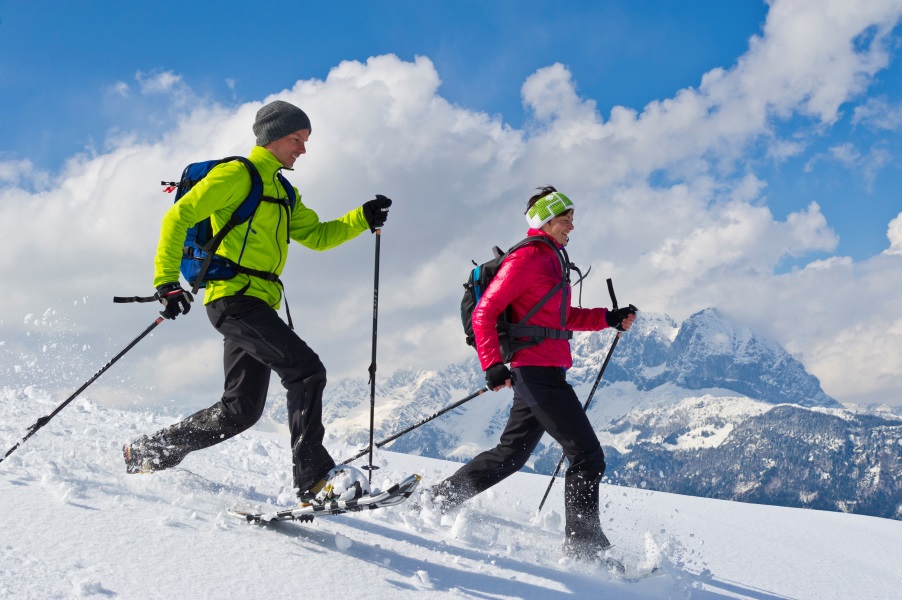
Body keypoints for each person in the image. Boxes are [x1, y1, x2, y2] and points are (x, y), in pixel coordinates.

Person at [123, 100, 393, 503]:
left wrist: (361, 217)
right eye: (296, 140)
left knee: (241, 410)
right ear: (272, 137)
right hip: (232, 298)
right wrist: (166, 282)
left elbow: (318, 236)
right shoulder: (237, 175)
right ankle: (314, 479)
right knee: (305, 371)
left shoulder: (284, 190)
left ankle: (147, 452)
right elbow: (177, 217)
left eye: (305, 141)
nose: (303, 149)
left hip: (258, 304)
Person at [428, 186, 636, 561]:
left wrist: (608, 318)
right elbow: (484, 313)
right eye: (565, 218)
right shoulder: (528, 259)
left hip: (546, 370)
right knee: (587, 454)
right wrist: (491, 364)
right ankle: (584, 549)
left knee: (510, 455)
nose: (571, 225)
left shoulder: (553, 261)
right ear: (546, 220)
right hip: (535, 371)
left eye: (572, 218)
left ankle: (436, 500)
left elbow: (564, 319)